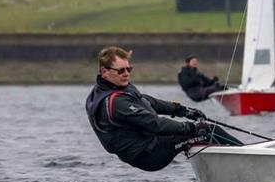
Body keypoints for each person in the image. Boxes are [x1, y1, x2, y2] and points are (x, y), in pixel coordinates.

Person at [86, 46, 241, 172]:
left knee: (200, 135)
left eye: (129, 69)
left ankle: (230, 168)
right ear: (104, 72)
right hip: (149, 154)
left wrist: (182, 110)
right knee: (208, 130)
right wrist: (191, 127)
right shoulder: (115, 102)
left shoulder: (108, 89)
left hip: (150, 146)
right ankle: (245, 154)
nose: (126, 74)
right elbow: (154, 124)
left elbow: (148, 101)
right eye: (121, 70)